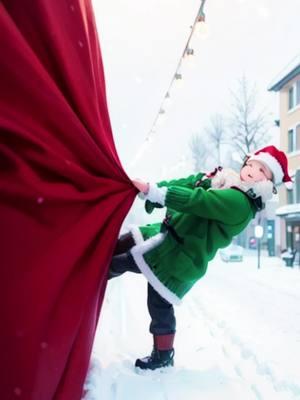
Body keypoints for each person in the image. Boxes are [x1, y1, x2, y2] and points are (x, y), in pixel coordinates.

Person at [108, 145, 292, 370]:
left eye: (262, 171)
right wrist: (155, 190)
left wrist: (157, 193)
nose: (253, 170)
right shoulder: (223, 179)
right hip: (164, 235)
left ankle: (163, 354)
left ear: (269, 183)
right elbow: (191, 182)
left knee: (150, 295)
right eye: (252, 164)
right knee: (120, 247)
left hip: (179, 256)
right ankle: (82, 275)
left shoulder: (240, 203)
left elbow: (199, 201)